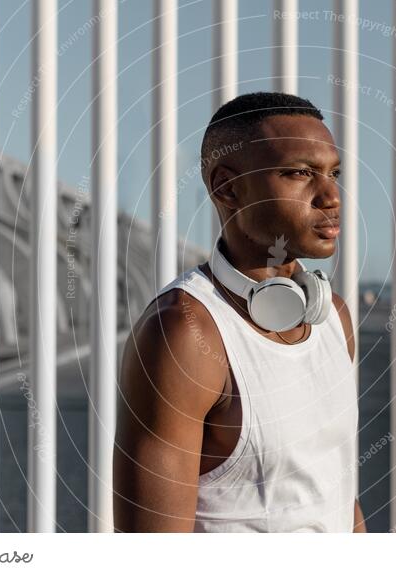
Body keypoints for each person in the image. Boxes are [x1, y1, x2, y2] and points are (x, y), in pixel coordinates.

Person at [113, 92, 365, 533]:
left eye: (334, 174)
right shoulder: (183, 334)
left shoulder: (333, 317)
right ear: (228, 187)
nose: (331, 197)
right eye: (300, 173)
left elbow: (336, 495)